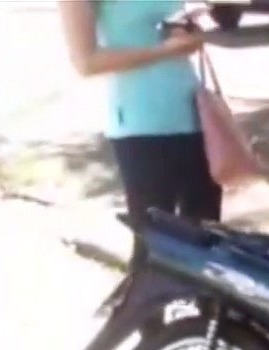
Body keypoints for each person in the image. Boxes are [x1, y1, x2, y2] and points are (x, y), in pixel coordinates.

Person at [59, 0, 216, 238]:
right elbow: (86, 62)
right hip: (140, 124)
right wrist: (168, 50)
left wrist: (192, 29)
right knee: (154, 247)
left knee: (209, 243)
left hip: (195, 114)